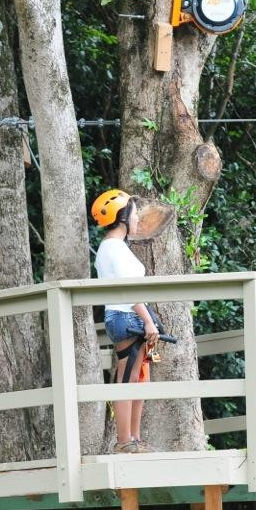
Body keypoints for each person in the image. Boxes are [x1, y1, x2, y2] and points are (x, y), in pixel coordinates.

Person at [91, 189, 159, 453]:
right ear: (121, 217)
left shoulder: (111, 246)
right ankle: (124, 441)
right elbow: (127, 290)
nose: (137, 219)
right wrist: (148, 321)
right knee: (128, 380)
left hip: (126, 315)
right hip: (126, 316)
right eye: (133, 214)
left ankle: (134, 439)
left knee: (139, 379)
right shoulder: (114, 248)